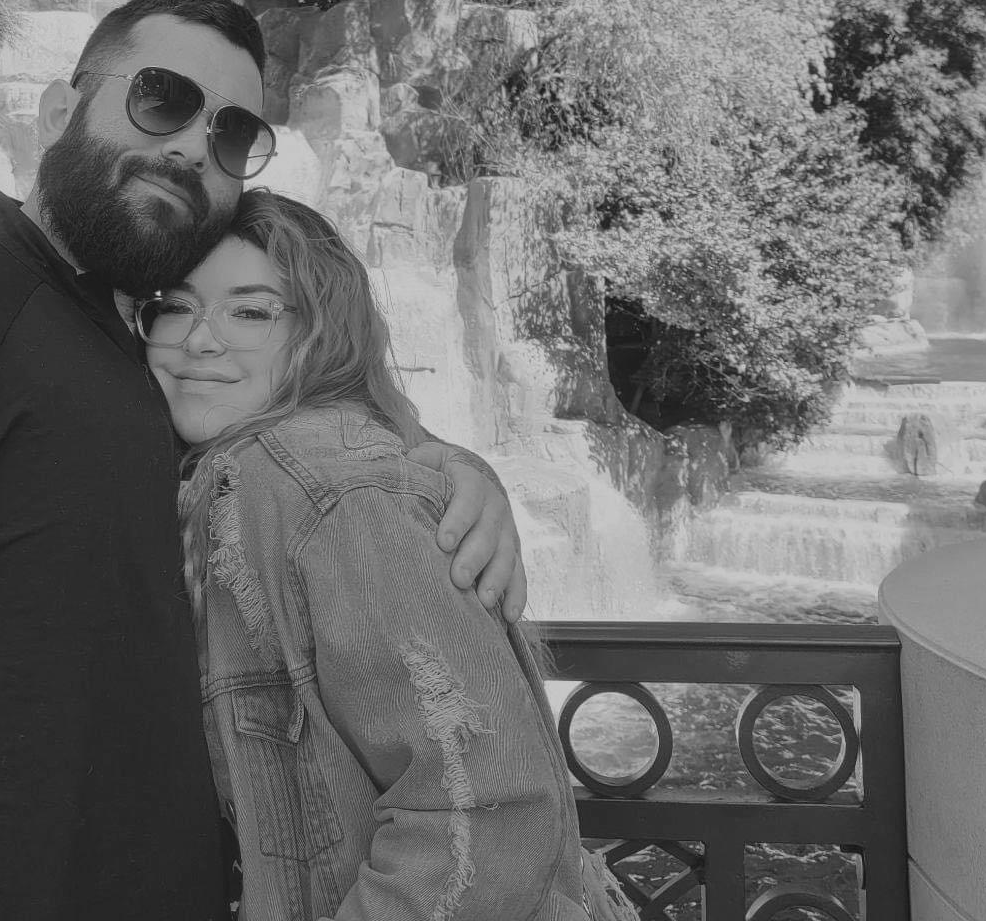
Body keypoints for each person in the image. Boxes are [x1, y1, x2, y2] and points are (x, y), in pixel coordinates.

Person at [0, 0, 528, 921]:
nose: (192, 147)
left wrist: (443, 465)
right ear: (61, 109)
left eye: (232, 134)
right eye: (163, 99)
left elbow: (315, 426)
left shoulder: (155, 364)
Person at [143, 188, 640, 921]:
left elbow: (488, 813)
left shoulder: (337, 496)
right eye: (176, 307)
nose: (199, 340)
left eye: (250, 312)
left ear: (320, 337)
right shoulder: (209, 480)